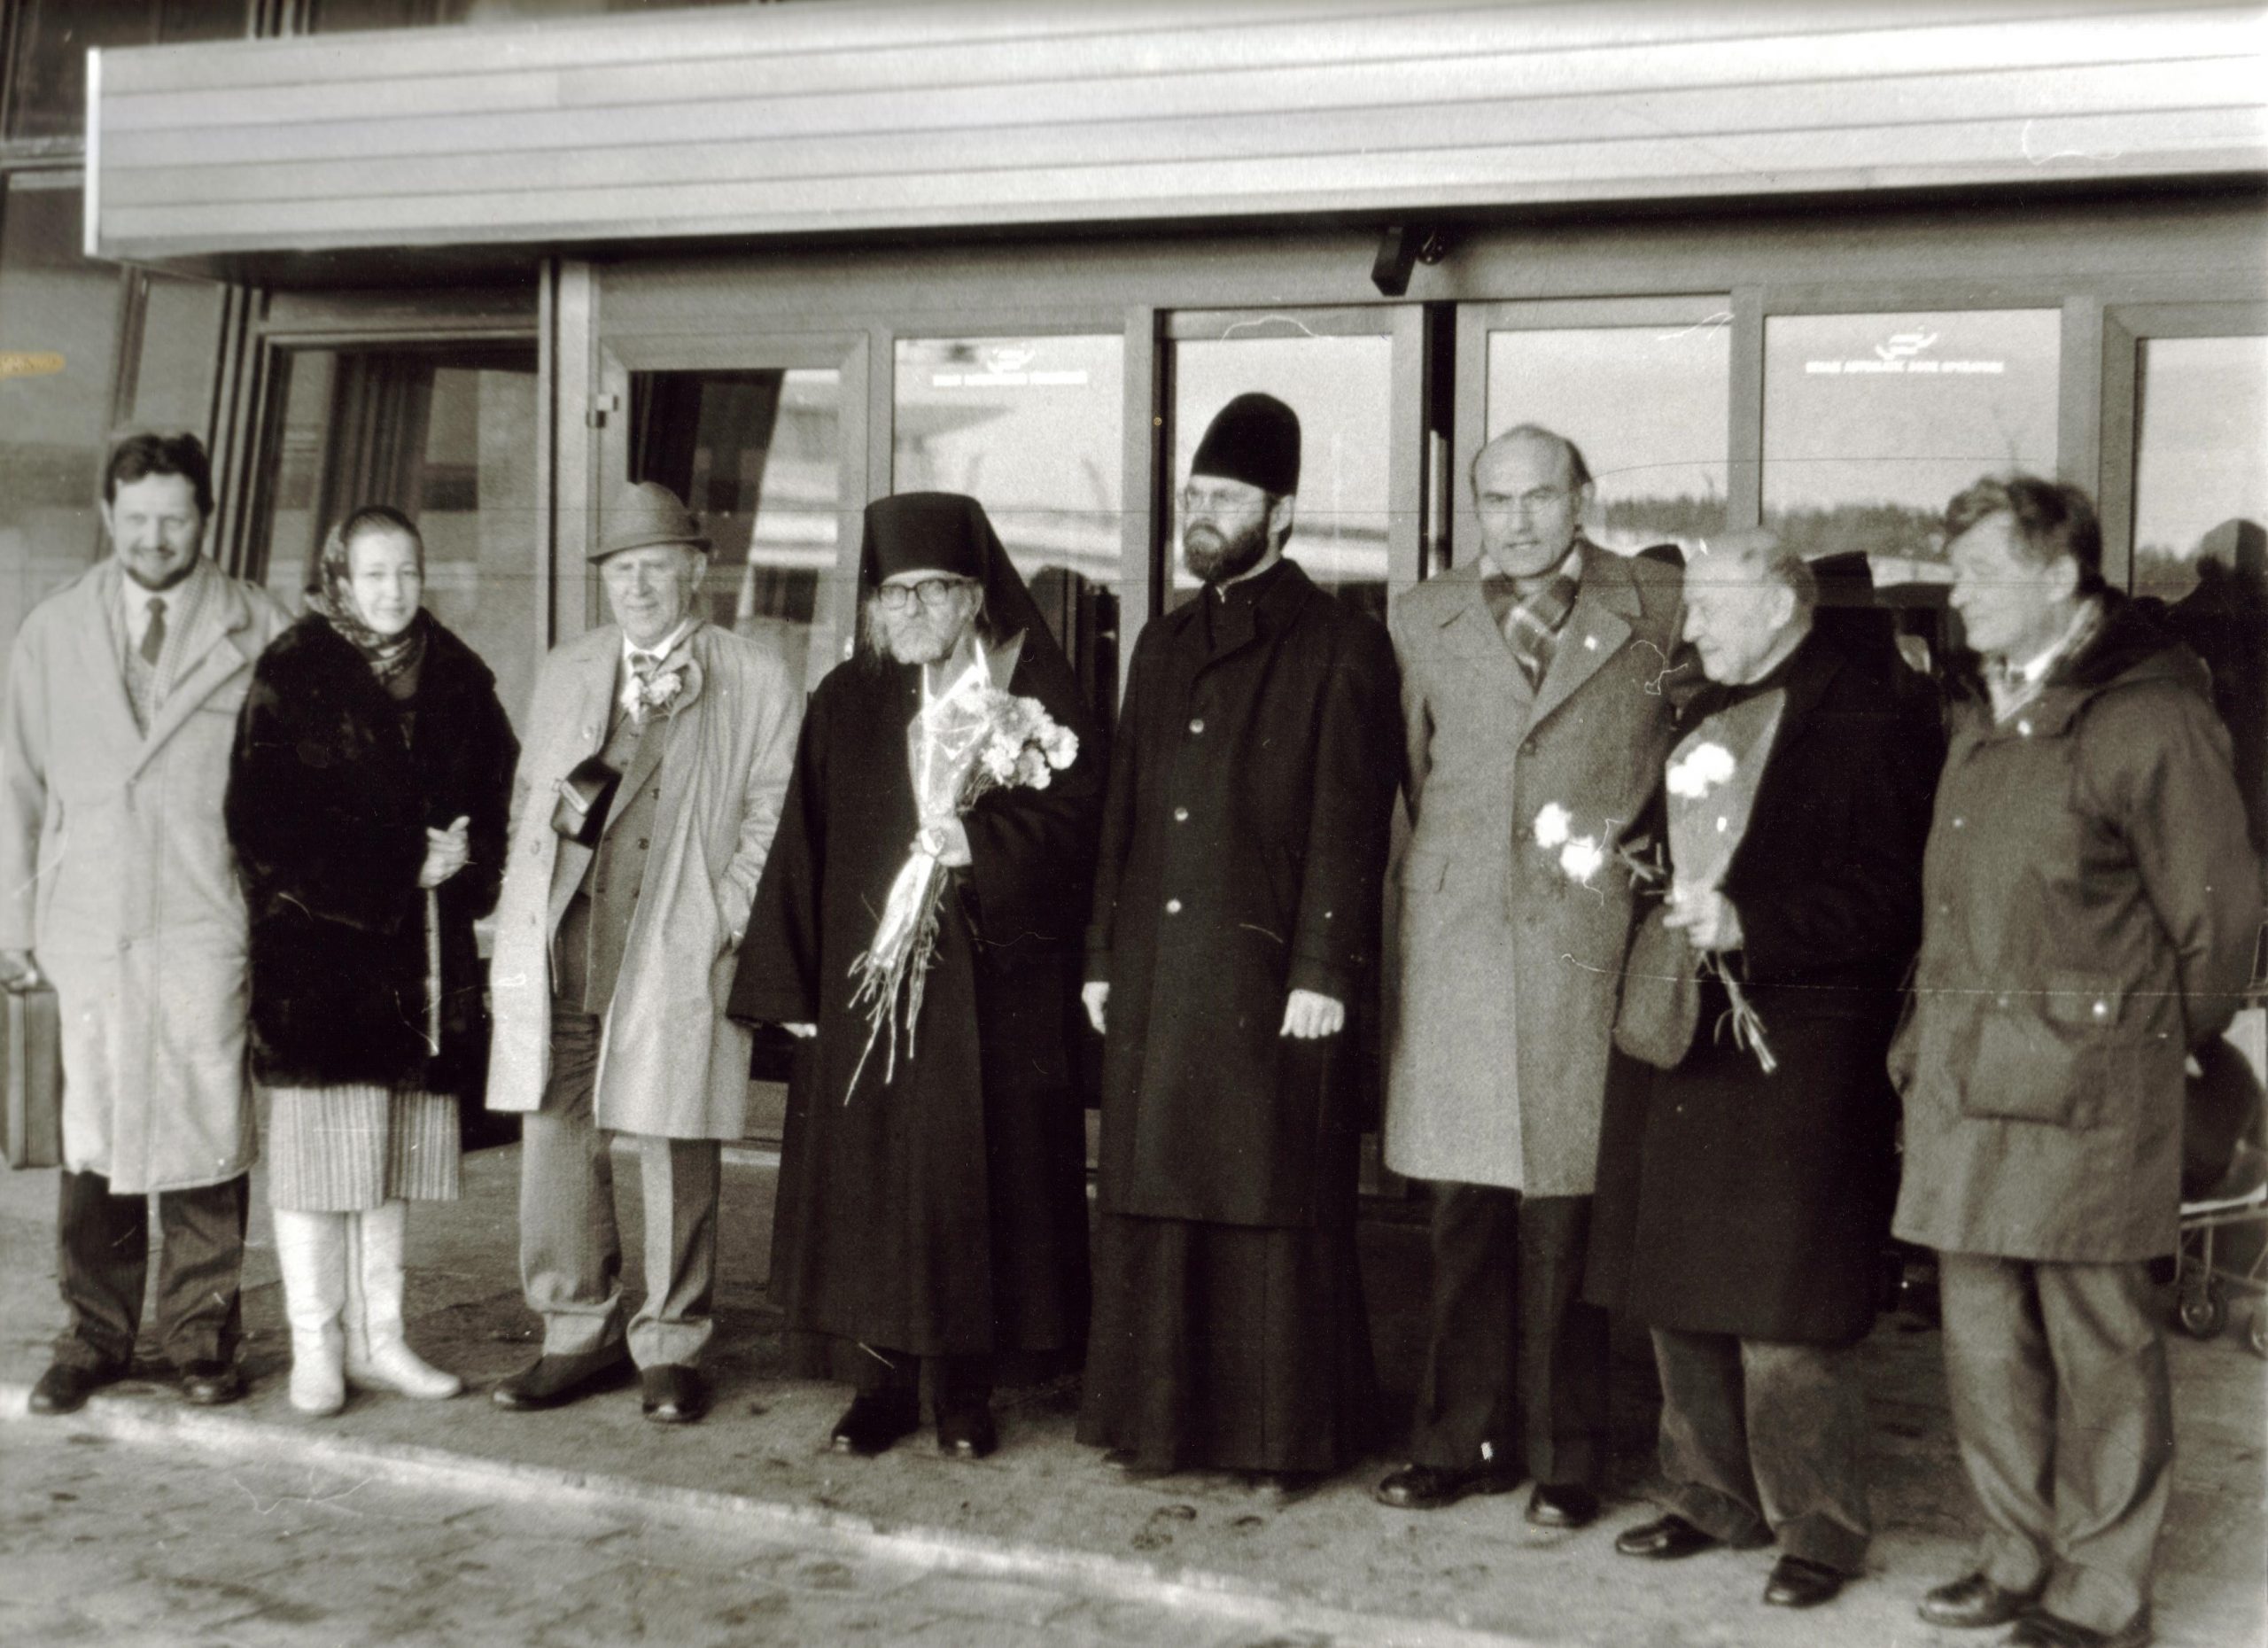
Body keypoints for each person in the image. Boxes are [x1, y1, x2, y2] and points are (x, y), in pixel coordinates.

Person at [1894, 477, 2256, 1648]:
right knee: (1982, 1340)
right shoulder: (1981, 708)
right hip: (1966, 1079)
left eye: (1981, 573)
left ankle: (2103, 1593)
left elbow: (2218, 927)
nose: (1959, 597)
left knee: (2099, 1346)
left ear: (2061, 576)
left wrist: (2136, 1045)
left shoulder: (2149, 720)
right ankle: (2014, 1558)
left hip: (2090, 1092)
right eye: (1957, 573)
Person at [1583, 531, 1940, 1608]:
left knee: (1785, 1303)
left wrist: (1754, 923)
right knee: (1677, 1278)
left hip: (1799, 1043)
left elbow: (1896, 898)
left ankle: (1818, 1525)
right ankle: (1708, 1495)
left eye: (1708, 607)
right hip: (1688, 1028)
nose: (1687, 627)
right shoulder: (1702, 704)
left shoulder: (1871, 716)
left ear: (1782, 606)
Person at [728, 493, 1100, 1460]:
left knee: (976, 1187)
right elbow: (800, 845)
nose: (911, 611)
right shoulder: (844, 701)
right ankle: (878, 1387)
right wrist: (792, 989)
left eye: (932, 591)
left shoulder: (1032, 694)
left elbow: (1078, 832)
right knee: (872, 1187)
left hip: (993, 996)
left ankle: (965, 1392)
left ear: (974, 595)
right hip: (868, 992)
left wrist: (981, 844)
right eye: (894, 594)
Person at [1078, 393, 1402, 1487]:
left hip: (1269, 982)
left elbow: (1351, 825)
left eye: (1224, 498)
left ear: (1283, 512)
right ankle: (1160, 1430)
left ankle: (1278, 1442)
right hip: (1160, 975)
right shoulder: (1163, 641)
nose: (1201, 515)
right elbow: (1124, 812)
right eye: (1193, 497)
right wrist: (1100, 955)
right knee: (1159, 1193)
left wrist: (1322, 970)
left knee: (1267, 1202)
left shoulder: (1341, 645)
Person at [1372, 425, 1681, 1528]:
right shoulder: (1422, 616)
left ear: (1582, 498)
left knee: (1564, 1213)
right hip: (1461, 943)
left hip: (1582, 944)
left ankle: (1566, 1458)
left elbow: (1685, 769)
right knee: (1463, 1212)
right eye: (1496, 500)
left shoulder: (1656, 604)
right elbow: (1412, 778)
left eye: (1540, 496)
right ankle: (1458, 1443)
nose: (1517, 521)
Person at [484, 480, 800, 1425]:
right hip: (568, 939)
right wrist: (516, 922)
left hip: (675, 941)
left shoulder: (755, 676)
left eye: (657, 567)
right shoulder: (570, 669)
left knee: (674, 1136)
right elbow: (530, 802)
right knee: (555, 1127)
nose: (638, 587)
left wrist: (720, 920)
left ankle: (672, 1343)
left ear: (696, 572)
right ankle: (574, 1331)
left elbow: (773, 817)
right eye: (622, 570)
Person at [0, 431, 290, 1414]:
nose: (154, 538)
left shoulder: (262, 627)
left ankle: (202, 1338)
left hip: (204, 921)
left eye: (173, 518)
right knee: (94, 1147)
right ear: (106, 516)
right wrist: (13, 927)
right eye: (136, 519)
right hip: (85, 931)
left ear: (206, 517)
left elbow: (297, 792)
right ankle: (94, 1338)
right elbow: (15, 789)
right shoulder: (53, 631)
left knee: (205, 1136)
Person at [224, 506, 518, 1415]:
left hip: (417, 969)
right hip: (319, 973)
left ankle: (379, 1341)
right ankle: (317, 1347)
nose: (394, 590)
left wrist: (470, 859)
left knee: (386, 1165)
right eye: (375, 573)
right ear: (340, 580)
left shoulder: (459, 675)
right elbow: (261, 827)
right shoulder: (293, 670)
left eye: (408, 572)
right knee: (318, 1167)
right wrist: (398, 866)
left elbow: (502, 798)